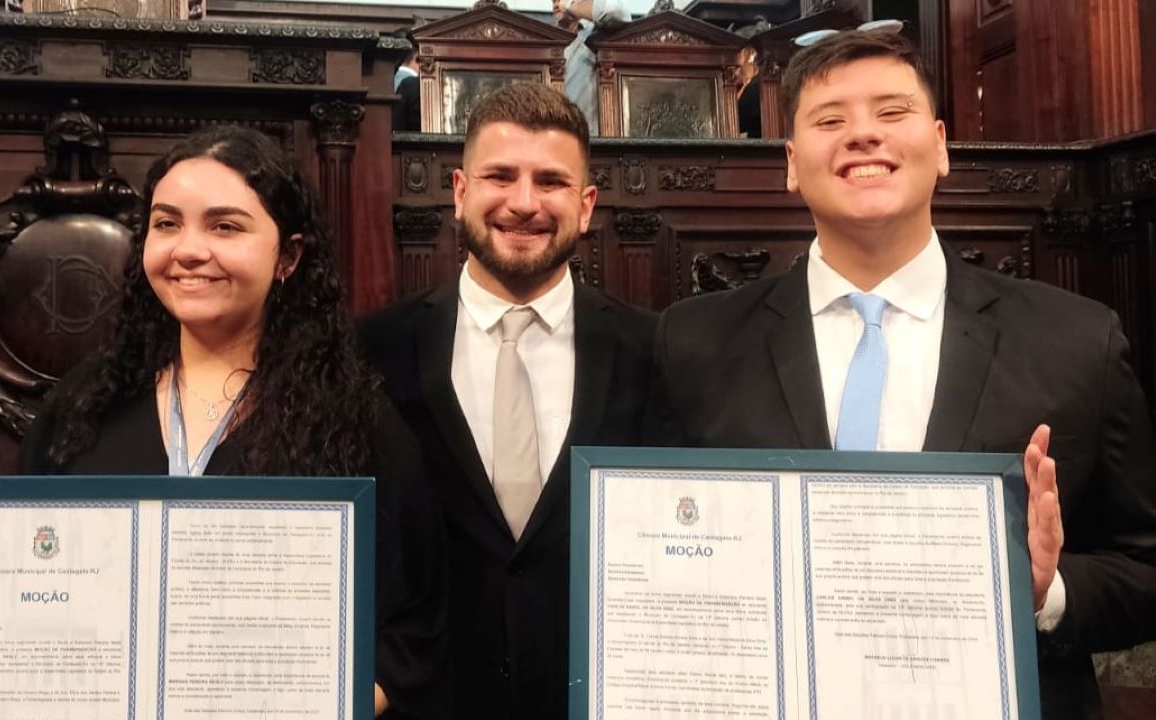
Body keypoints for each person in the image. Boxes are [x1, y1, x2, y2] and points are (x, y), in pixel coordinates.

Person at [644, 30, 1156, 720]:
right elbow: (659, 556)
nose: (862, 136)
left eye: (891, 113)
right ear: (792, 163)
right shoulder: (695, 343)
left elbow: (1143, 568)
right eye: (829, 121)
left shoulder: (1075, 340)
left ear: (940, 144)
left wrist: (1043, 590)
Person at [0, 125, 448, 720]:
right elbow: (36, 590)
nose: (188, 249)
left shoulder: (352, 416)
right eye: (167, 223)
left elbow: (413, 626)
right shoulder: (88, 402)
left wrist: (332, 703)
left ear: (288, 256)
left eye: (225, 226)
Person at [359, 82, 656, 719]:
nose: (524, 203)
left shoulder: (655, 351)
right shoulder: (371, 352)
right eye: (501, 176)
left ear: (585, 205)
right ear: (461, 191)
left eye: (550, 181)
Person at [553, 0, 629, 135]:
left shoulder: (596, 31)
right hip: (554, 138)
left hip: (592, 142)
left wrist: (569, 6)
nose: (556, 3)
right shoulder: (547, 37)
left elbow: (614, 12)